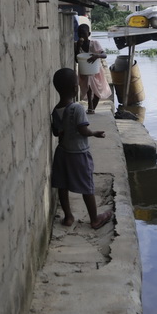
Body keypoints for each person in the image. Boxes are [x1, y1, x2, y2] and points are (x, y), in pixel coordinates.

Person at [51, 68, 113, 229]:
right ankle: (95, 219)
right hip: (78, 154)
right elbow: (83, 130)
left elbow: (56, 132)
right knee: (87, 186)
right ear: (75, 88)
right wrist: (95, 133)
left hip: (62, 152)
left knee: (62, 185)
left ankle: (68, 217)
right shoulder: (77, 108)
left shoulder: (56, 110)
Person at [75, 24, 111, 114]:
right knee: (88, 81)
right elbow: (76, 59)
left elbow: (104, 55)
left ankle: (92, 108)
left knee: (98, 90)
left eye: (84, 34)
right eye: (80, 34)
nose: (81, 36)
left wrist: (97, 56)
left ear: (89, 34)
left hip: (96, 70)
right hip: (85, 70)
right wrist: (78, 47)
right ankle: (90, 106)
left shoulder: (94, 43)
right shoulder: (77, 44)